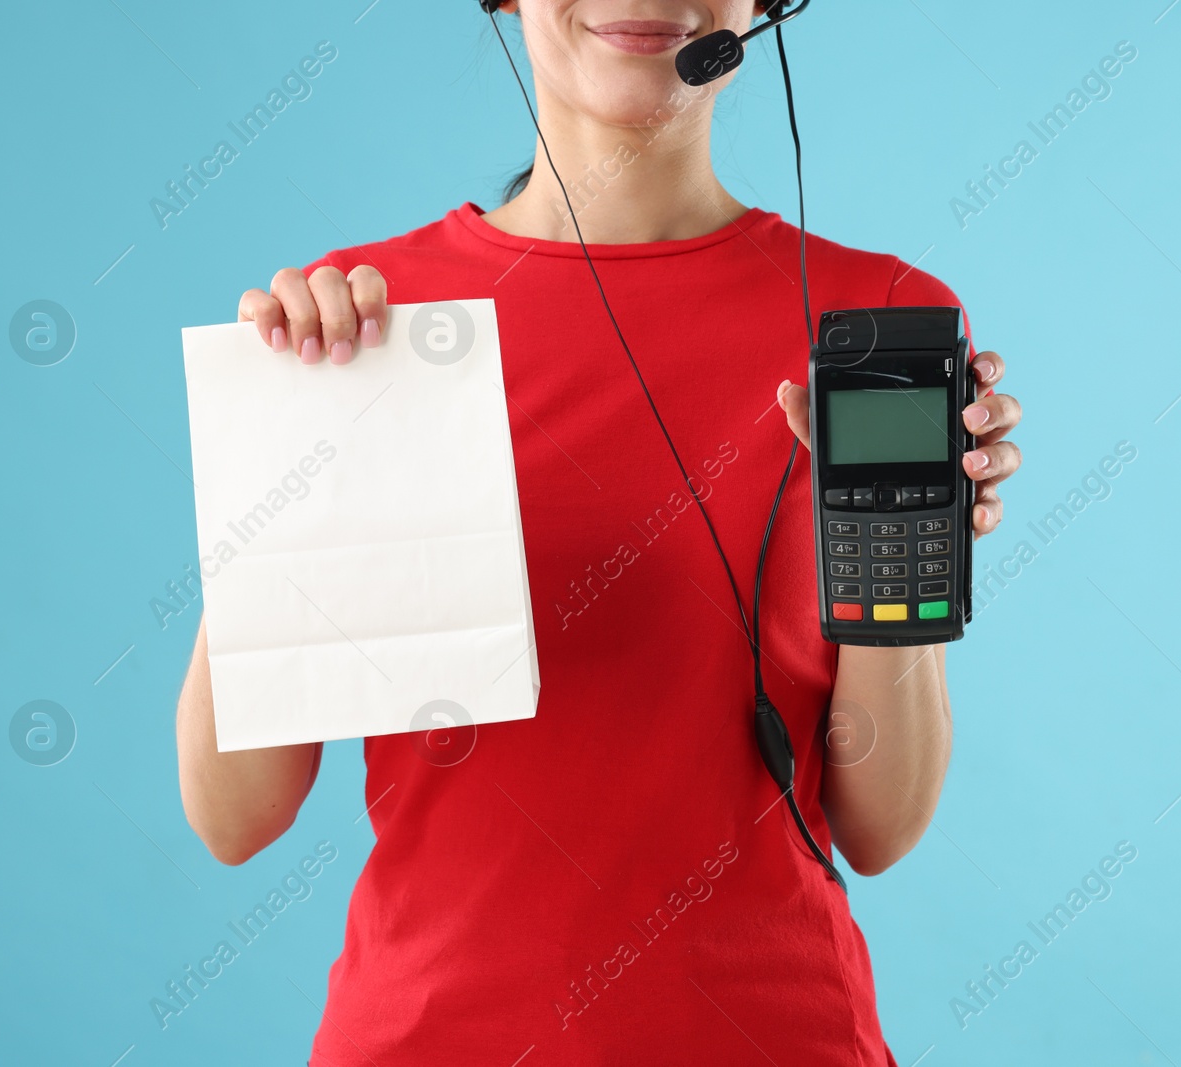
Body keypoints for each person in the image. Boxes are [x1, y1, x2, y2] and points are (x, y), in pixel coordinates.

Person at [176, 3, 1023, 1063]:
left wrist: (909, 553)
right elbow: (234, 817)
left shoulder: (871, 320)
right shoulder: (365, 323)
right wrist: (278, 464)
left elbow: (881, 825)